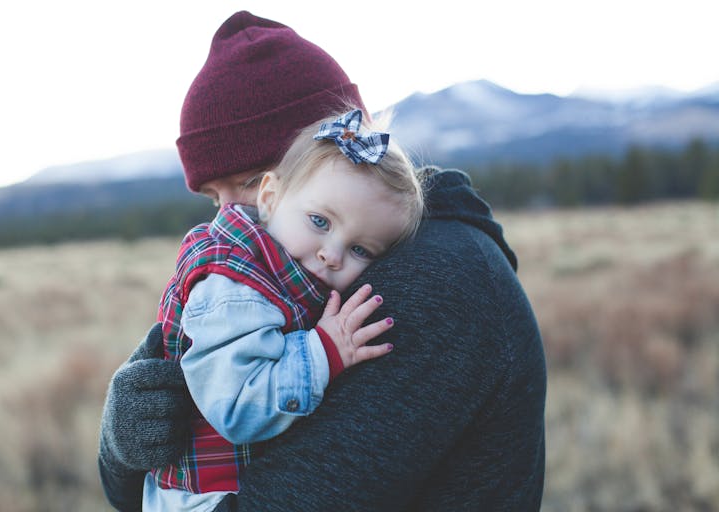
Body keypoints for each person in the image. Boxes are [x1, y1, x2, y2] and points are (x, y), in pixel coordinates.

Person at [98, 10, 547, 512]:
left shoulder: (430, 282)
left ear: (335, 148)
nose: (228, 220)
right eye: (212, 198)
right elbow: (136, 489)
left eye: (248, 182)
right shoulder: (289, 272)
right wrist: (123, 445)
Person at [144, 108, 424, 511]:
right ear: (270, 198)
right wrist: (324, 350)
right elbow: (237, 407)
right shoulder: (233, 287)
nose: (331, 254)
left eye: (360, 250)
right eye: (319, 221)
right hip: (205, 500)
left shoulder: (285, 270)